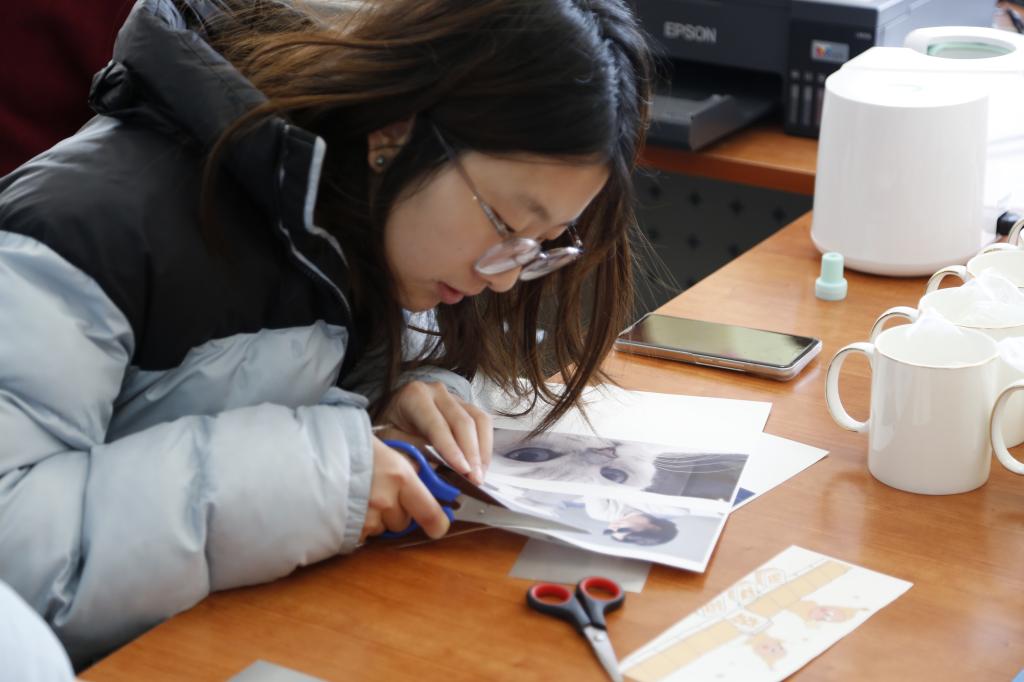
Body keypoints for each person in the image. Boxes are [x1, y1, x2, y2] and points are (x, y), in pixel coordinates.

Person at [0, 0, 651, 669]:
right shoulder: (83, 230)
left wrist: (397, 393)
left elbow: (319, 373)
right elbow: (16, 548)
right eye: (507, 225)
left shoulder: (360, 216)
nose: (507, 278)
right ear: (395, 134)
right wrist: (322, 476)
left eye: (540, 247)